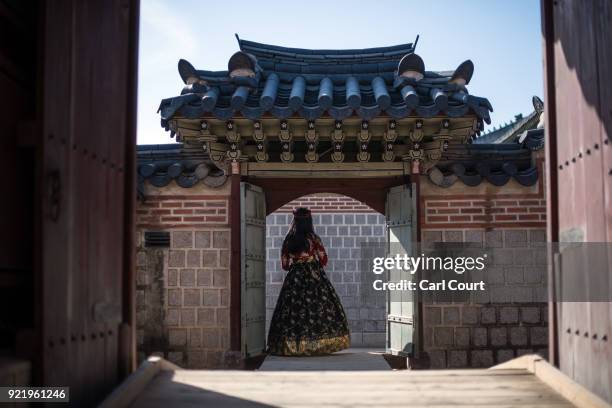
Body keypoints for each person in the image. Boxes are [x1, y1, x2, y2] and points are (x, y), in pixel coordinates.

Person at [267, 207, 350, 356]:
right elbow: (324, 259)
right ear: (309, 221)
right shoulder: (314, 238)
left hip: (294, 277)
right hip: (314, 276)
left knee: (291, 311)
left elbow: (285, 265)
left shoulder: (288, 239)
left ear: (295, 220)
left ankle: (291, 346)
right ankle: (318, 344)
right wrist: (312, 259)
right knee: (319, 308)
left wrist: (296, 261)